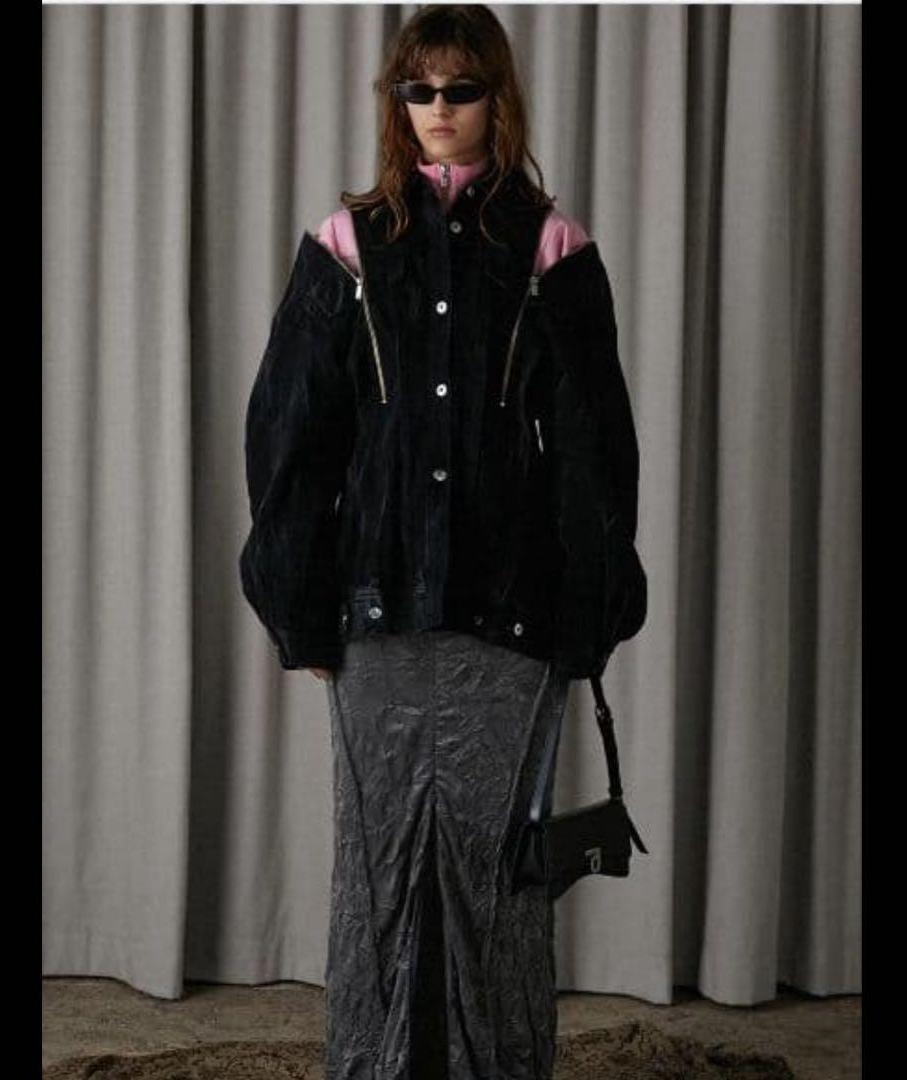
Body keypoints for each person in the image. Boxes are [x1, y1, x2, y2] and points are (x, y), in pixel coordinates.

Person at [238, 6, 647, 1078]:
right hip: (373, 607)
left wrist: (589, 611)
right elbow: (289, 438)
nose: (437, 110)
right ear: (396, 102)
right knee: (375, 876)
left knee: (497, 880)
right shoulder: (345, 249)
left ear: (495, 98)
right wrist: (299, 602)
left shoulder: (551, 249)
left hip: (511, 613)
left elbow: (595, 450)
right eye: (416, 90)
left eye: (460, 89)